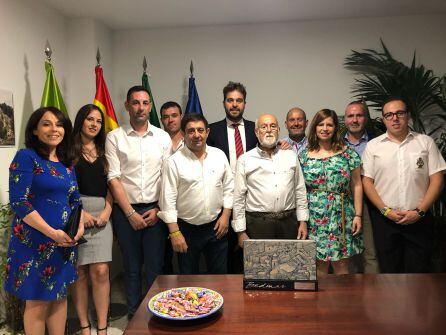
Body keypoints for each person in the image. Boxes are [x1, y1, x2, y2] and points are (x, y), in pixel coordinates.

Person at [4, 107, 83, 335]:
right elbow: (19, 202)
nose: (54, 129)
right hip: (34, 243)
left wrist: (76, 230)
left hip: (64, 244)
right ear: (35, 130)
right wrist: (52, 233)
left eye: (58, 124)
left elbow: (75, 200)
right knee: (37, 302)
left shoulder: (67, 163)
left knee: (59, 297)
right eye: (46, 124)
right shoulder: (26, 157)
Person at [105, 86, 171, 319]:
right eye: (135, 103)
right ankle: (135, 317)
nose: (141, 107)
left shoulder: (162, 137)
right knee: (131, 269)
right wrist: (130, 213)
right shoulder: (115, 137)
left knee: (155, 269)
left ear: (150, 106)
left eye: (145, 103)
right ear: (127, 106)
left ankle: (156, 314)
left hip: (156, 210)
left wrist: (159, 209)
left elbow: (168, 177)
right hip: (125, 212)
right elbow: (113, 177)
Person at [362, 97, 446, 273]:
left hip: (419, 219)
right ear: (384, 119)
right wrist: (386, 210)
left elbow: (437, 178)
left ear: (408, 115)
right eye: (389, 115)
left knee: (419, 274)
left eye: (399, 113)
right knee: (389, 274)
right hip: (385, 220)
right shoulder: (373, 146)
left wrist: (420, 211)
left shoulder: (425, 142)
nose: (395, 118)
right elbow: (367, 182)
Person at [158, 113, 233, 274]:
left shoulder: (219, 155)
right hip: (186, 230)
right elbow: (167, 199)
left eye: (200, 130)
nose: (197, 135)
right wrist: (175, 232)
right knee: (188, 280)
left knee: (220, 277)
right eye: (191, 131)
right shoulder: (173, 162)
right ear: (183, 134)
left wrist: (226, 216)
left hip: (216, 227)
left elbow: (229, 188)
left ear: (207, 132)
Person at [299, 109, 363, 277]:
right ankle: (320, 304)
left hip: (341, 214)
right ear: (315, 127)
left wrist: (358, 215)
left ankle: (343, 302)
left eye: (329, 124)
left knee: (341, 266)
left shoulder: (347, 153)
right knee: (318, 268)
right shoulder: (304, 156)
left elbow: (357, 185)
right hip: (314, 216)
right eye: (321, 124)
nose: (325, 128)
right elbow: (299, 189)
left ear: (336, 128)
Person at [232, 114, 308, 247]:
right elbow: (238, 197)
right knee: (260, 266)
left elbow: (299, 190)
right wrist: (240, 231)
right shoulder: (245, 160)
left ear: (278, 130)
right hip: (257, 224)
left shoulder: (290, 156)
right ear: (256, 132)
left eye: (273, 126)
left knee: (289, 265)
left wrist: (303, 221)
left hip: (289, 222)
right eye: (264, 127)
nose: (268, 130)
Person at [71, 104, 113, 334]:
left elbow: (113, 184)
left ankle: (103, 326)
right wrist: (80, 213)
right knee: (80, 272)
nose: (94, 124)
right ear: (81, 121)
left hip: (103, 212)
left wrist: (107, 210)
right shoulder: (68, 150)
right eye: (90, 119)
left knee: (101, 271)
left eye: (98, 121)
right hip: (76, 211)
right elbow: (63, 186)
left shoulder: (106, 150)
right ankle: (85, 325)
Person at [207, 81, 257, 273]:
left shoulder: (256, 129)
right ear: (224, 103)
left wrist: (282, 145)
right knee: (225, 255)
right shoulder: (212, 131)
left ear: (245, 103)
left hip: (251, 201)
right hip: (223, 202)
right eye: (230, 100)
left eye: (239, 100)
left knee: (250, 254)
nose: (234, 104)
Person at [344, 101, 379, 274]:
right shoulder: (335, 144)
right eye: (350, 116)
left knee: (370, 252)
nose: (355, 120)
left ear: (365, 118)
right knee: (346, 254)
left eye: (359, 115)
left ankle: (373, 298)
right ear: (345, 120)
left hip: (373, 204)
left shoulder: (378, 142)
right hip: (343, 204)